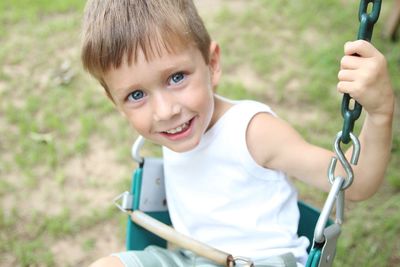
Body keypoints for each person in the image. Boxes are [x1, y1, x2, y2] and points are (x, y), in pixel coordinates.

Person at [81, 0, 394, 266]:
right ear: (117, 103)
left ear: (212, 64)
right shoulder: (172, 128)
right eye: (136, 95)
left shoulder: (252, 132)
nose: (164, 111)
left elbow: (356, 182)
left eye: (176, 77)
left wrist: (380, 114)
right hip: (195, 258)